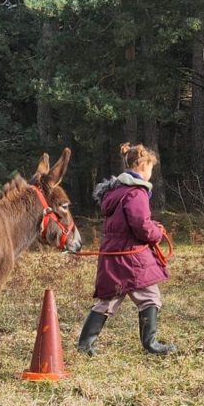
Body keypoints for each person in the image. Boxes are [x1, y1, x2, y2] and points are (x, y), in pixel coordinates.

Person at [76, 143, 177, 356]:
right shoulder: (136, 192)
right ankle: (151, 344)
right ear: (141, 165)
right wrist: (157, 232)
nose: (151, 173)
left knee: (109, 299)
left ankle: (84, 346)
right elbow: (141, 226)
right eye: (150, 168)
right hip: (132, 256)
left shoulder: (117, 192)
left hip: (113, 254)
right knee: (150, 296)